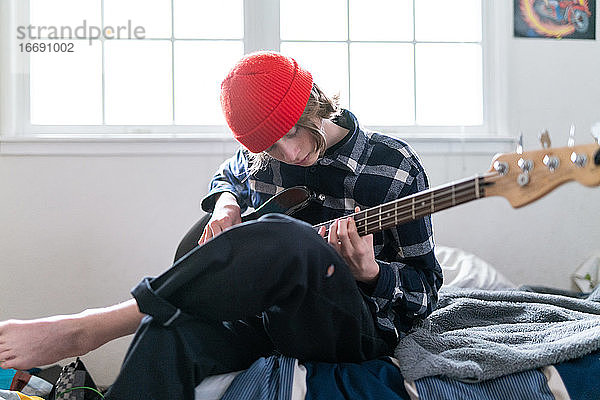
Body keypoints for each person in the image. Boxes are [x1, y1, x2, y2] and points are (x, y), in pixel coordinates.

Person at [0, 51, 442, 399]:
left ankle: (93, 326)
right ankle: (139, 329)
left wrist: (371, 272)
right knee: (169, 332)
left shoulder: (394, 165)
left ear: (315, 102)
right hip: (264, 320)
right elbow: (230, 172)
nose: (288, 154)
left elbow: (427, 287)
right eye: (270, 146)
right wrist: (224, 204)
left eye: (292, 132)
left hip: (349, 327)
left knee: (293, 239)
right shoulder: (264, 159)